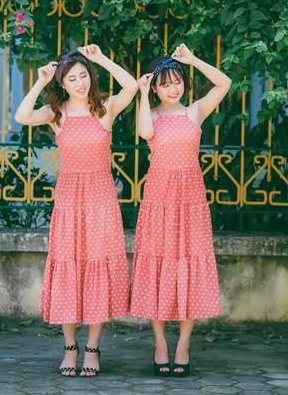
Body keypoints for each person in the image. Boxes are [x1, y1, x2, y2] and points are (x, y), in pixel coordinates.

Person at [15, 44, 137, 377]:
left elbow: (132, 86)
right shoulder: (58, 113)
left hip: (100, 200)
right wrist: (40, 82)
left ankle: (93, 349)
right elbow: (22, 116)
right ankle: (70, 348)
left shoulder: (104, 109)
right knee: (69, 267)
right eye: (72, 79)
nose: (80, 83)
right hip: (69, 200)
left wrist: (102, 58)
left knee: (96, 267)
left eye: (84, 76)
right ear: (63, 84)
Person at [130, 43, 231, 376]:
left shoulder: (194, 112)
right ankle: (160, 341)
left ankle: (184, 342)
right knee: (157, 264)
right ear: (156, 88)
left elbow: (224, 84)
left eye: (177, 82)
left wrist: (193, 60)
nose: (173, 89)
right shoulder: (153, 113)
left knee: (190, 263)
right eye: (165, 84)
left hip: (190, 199)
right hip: (159, 197)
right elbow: (144, 132)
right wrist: (143, 94)